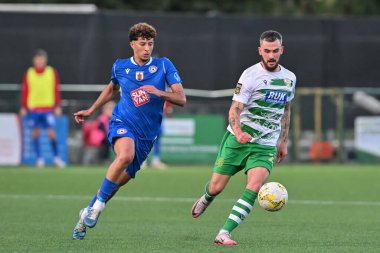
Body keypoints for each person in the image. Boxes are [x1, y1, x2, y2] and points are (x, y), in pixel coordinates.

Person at [72, 22, 186, 240]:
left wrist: (159, 92)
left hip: (147, 135)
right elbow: (111, 88)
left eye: (150, 44)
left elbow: (181, 99)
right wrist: (92, 110)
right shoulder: (120, 66)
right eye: (142, 44)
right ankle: (97, 208)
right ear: (132, 44)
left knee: (115, 184)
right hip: (122, 121)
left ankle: (88, 210)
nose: (147, 48)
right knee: (125, 155)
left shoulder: (163, 66)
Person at [191, 30, 296, 245]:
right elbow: (234, 110)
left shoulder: (289, 78)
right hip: (237, 141)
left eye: (275, 51)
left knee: (254, 187)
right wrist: (238, 133)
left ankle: (224, 233)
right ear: (260, 51)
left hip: (265, 145)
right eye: (267, 51)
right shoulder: (249, 76)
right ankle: (207, 198)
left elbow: (286, 109)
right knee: (216, 187)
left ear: (282, 50)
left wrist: (283, 140)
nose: (271, 55)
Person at [20, 49, 66, 168]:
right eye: (37, 59)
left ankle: (56, 158)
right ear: (34, 60)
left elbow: (56, 89)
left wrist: (57, 105)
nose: (40, 61)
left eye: (41, 59)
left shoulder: (51, 72)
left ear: (45, 60)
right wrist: (23, 106)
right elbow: (25, 90)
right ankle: (39, 159)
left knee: (51, 133)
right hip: (33, 108)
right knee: (35, 133)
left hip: (47, 108)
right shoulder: (29, 73)